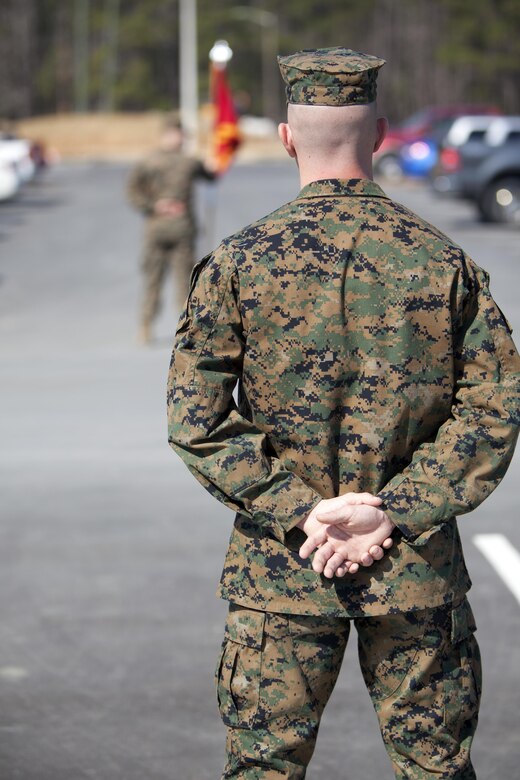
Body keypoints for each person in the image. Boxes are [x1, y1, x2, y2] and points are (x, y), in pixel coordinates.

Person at [167, 47, 520, 779]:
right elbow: (493, 406)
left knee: (264, 769)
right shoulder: (441, 260)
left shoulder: (239, 261)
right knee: (435, 769)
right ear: (382, 134)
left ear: (288, 137)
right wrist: (397, 509)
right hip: (415, 571)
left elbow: (196, 418)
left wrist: (302, 511)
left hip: (281, 573)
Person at [127, 112, 215, 344]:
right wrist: (154, 206)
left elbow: (210, 175)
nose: (180, 138)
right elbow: (133, 193)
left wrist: (217, 156)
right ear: (166, 134)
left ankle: (188, 330)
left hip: (183, 232)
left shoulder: (189, 162)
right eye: (177, 133)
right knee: (153, 280)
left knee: (185, 283)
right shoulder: (148, 162)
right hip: (157, 231)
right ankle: (145, 326)